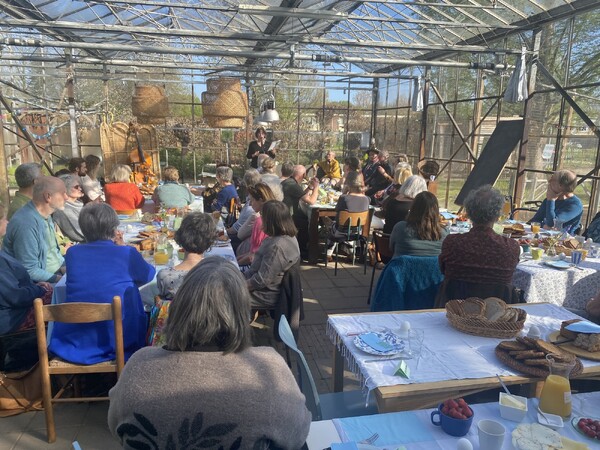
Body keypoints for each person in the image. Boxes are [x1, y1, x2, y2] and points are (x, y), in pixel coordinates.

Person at [108, 257, 311, 449]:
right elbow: (298, 434)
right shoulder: (269, 369)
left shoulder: (139, 368)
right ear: (241, 313)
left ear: (179, 308)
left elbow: (117, 429)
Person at [48, 203, 155, 364]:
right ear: (114, 228)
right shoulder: (126, 253)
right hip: (119, 338)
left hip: (75, 340)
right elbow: (148, 275)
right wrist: (124, 247)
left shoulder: (73, 253)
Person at [436, 185, 520, 306]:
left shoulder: (452, 243)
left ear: (469, 213)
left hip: (455, 311)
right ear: (497, 216)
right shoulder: (511, 248)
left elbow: (443, 270)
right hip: (495, 316)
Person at [0, 202, 53, 337]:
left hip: (13, 309)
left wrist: (33, 286)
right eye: (3, 218)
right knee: (59, 302)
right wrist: (39, 290)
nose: (6, 222)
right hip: (12, 319)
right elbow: (15, 296)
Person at [3, 176, 66, 283]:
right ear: (48, 196)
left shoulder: (45, 214)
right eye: (63, 193)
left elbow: (53, 253)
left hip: (57, 272)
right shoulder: (26, 224)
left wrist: (65, 269)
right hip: (40, 284)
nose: (67, 197)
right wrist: (63, 280)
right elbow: (29, 270)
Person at [245, 200, 301, 308]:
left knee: (219, 296)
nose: (260, 220)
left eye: (262, 217)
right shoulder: (285, 237)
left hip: (264, 294)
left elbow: (260, 281)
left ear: (270, 221)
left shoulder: (277, 247)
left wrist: (236, 286)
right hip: (260, 287)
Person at [157, 212, 215, 299]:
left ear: (180, 236)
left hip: (177, 312)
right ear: (210, 241)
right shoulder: (216, 275)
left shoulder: (164, 276)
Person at [390, 191, 448, 257]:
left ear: (413, 208)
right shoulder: (444, 233)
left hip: (404, 266)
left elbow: (391, 248)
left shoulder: (400, 227)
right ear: (436, 210)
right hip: (432, 267)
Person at [326, 172, 370, 259]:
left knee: (330, 224)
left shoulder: (344, 198)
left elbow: (337, 210)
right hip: (357, 231)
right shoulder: (367, 199)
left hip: (340, 231)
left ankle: (328, 254)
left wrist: (344, 193)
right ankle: (351, 253)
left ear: (348, 184)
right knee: (348, 227)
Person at [236, 183, 278, 266]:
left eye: (252, 201)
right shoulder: (273, 217)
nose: (250, 204)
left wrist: (235, 265)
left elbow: (252, 257)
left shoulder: (260, 221)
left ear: (261, 200)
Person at [281, 165, 319, 255]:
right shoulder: (293, 185)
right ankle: (303, 250)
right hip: (287, 217)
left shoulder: (289, 182)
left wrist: (310, 187)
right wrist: (316, 187)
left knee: (304, 218)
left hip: (283, 212)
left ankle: (301, 248)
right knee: (306, 222)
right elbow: (311, 201)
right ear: (302, 175)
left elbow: (301, 195)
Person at [227, 169, 261, 251]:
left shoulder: (252, 208)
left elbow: (236, 231)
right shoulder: (251, 201)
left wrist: (223, 232)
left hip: (242, 244)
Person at [52, 174, 85, 242]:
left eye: (80, 186)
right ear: (65, 190)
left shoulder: (78, 205)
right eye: (76, 187)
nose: (80, 189)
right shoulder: (63, 210)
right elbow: (80, 235)